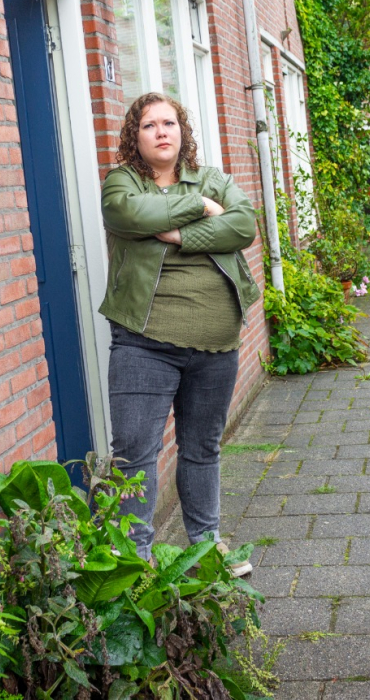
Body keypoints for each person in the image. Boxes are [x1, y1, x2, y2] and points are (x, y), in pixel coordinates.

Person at [99, 92, 260, 576]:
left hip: (217, 342)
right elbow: (128, 216)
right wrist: (201, 208)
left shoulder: (214, 177)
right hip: (144, 342)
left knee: (201, 448)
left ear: (182, 131)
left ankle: (205, 549)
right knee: (134, 451)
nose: (161, 131)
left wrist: (179, 234)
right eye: (149, 125)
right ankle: (133, 559)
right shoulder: (122, 182)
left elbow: (244, 225)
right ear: (135, 136)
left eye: (169, 122)